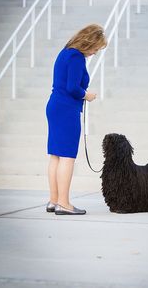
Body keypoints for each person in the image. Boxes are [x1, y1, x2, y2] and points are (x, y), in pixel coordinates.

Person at [45, 24, 107, 215]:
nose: (94, 53)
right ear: (89, 42)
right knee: (67, 157)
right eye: (95, 49)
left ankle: (54, 201)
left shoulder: (65, 52)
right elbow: (73, 88)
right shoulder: (76, 57)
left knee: (56, 155)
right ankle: (64, 203)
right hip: (66, 109)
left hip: (55, 105)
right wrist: (86, 95)